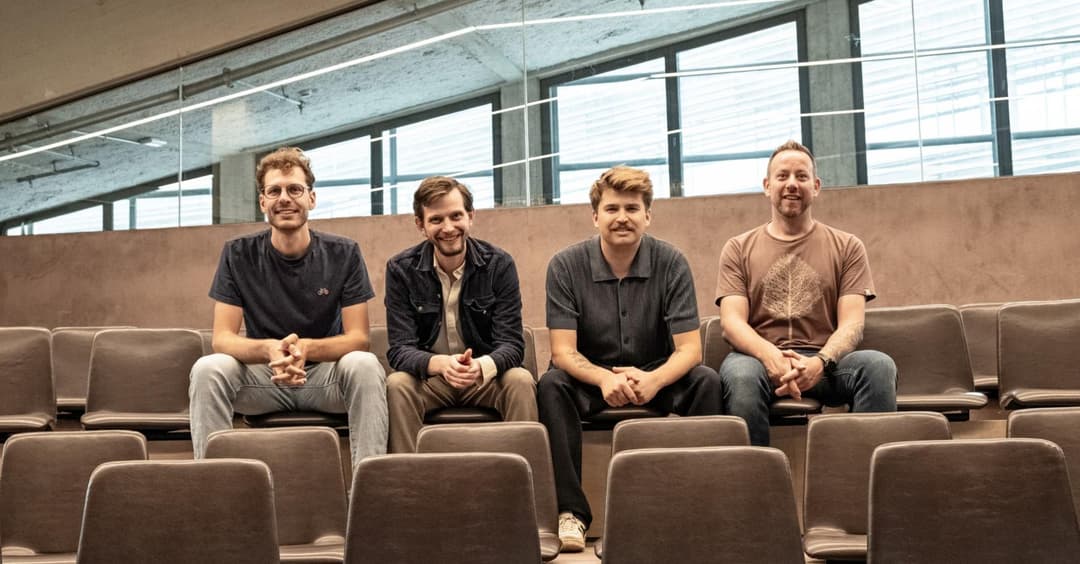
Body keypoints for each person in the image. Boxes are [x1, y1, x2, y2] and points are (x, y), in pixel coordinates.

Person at [537, 166, 724, 552]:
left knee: (707, 380)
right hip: (591, 380)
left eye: (632, 208)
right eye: (611, 209)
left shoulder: (671, 261)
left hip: (655, 375)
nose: (622, 217)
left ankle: (694, 504)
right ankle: (571, 513)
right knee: (551, 385)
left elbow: (690, 349)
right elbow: (562, 351)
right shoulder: (565, 266)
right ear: (595, 216)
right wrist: (604, 379)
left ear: (647, 215)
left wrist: (654, 380)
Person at [188, 147, 387, 469]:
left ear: (312, 198)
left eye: (295, 189)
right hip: (266, 381)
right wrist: (269, 350)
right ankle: (214, 487)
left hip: (324, 381)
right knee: (208, 369)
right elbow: (223, 339)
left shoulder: (344, 253)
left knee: (364, 364)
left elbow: (358, 338)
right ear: (262, 201)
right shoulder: (237, 253)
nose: (285, 198)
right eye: (274, 191)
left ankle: (370, 484)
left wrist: (306, 348)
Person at [715, 139, 896, 447]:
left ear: (816, 185)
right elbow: (731, 323)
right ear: (767, 185)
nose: (791, 185)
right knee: (741, 377)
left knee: (878, 366)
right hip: (758, 361)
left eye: (801, 177)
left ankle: (866, 480)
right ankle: (752, 485)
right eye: (782, 176)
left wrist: (820, 362)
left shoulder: (848, 246)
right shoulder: (737, 248)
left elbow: (852, 324)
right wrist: (770, 356)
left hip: (827, 364)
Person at [384, 176, 536, 453]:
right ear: (420, 225)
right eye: (436, 220)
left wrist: (481, 367)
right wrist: (441, 364)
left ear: (471, 216)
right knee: (397, 384)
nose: (448, 228)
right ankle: (408, 484)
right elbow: (399, 350)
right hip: (431, 379)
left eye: (456, 216)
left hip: (485, 378)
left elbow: (513, 345)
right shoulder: (400, 269)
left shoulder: (499, 264)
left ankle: (525, 484)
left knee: (521, 380)